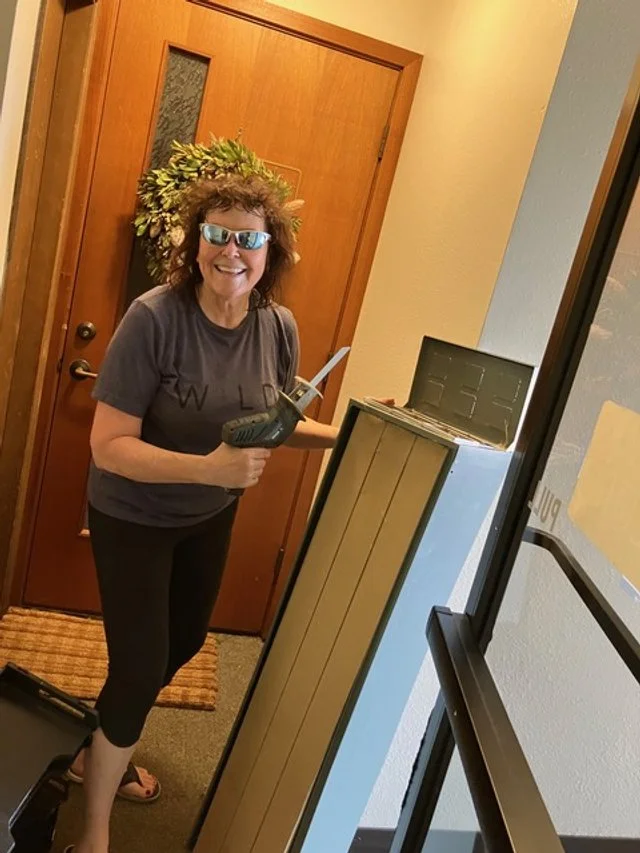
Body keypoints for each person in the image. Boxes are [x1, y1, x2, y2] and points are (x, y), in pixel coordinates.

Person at [64, 173, 341, 853]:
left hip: (207, 516)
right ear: (196, 244)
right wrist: (208, 469)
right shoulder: (154, 318)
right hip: (133, 513)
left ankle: (88, 748)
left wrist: (351, 431)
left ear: (269, 251)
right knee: (139, 665)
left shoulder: (277, 328)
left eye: (249, 239)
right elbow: (108, 446)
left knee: (179, 646)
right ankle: (93, 830)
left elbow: (268, 423)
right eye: (218, 234)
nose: (232, 252)